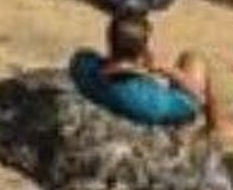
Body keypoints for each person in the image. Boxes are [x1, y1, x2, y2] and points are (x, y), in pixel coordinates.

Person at [72, 12, 228, 140]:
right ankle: (218, 127)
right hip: (156, 115)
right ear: (144, 50)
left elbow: (91, 58)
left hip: (115, 88)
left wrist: (130, 65)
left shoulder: (82, 64)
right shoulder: (150, 100)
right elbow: (197, 98)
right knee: (194, 58)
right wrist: (166, 69)